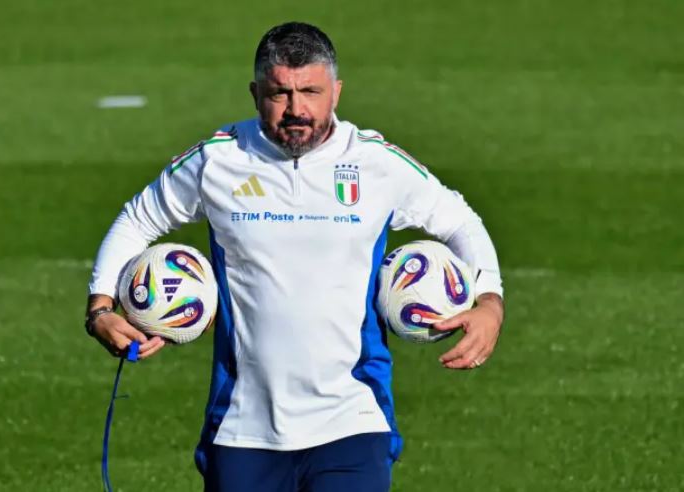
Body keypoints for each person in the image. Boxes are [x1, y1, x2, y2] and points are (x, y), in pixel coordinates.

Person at [85, 21, 504, 492]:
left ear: (336, 92)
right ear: (255, 93)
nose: (296, 109)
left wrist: (489, 303)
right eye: (279, 93)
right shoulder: (219, 160)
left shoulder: (377, 163)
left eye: (310, 92)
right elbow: (137, 219)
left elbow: (460, 222)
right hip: (242, 426)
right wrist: (100, 308)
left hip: (354, 419)